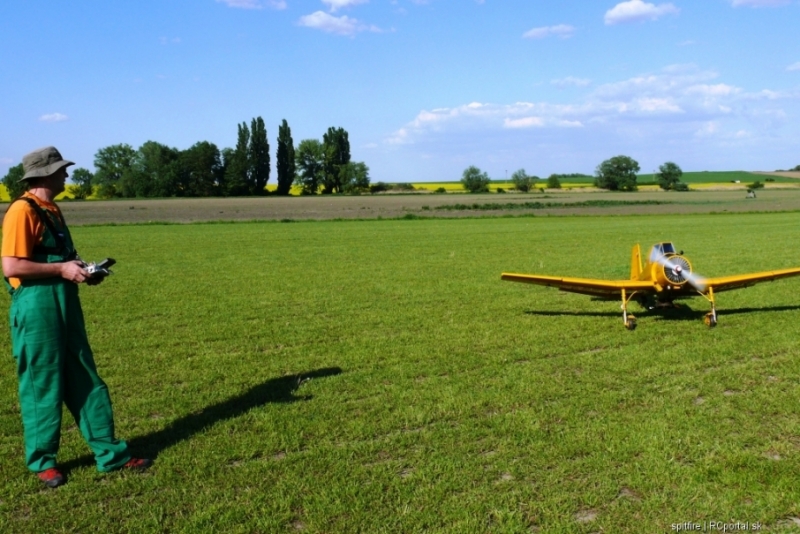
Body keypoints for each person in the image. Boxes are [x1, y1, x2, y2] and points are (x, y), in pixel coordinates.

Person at [2, 146, 151, 488]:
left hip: (65, 301)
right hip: (36, 304)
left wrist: (84, 270)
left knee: (86, 378)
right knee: (42, 384)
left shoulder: (51, 209)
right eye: (60, 169)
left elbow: (63, 255)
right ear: (43, 174)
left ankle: (111, 454)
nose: (66, 174)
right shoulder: (21, 211)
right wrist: (61, 269)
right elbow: (12, 266)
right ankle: (43, 462)